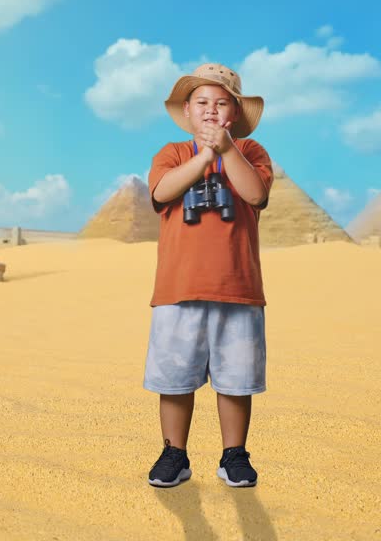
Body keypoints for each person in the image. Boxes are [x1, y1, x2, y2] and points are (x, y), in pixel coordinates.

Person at [143, 62, 273, 488]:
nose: (212, 111)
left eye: (222, 104)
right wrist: (204, 156)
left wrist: (227, 150)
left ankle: (234, 454)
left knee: (237, 380)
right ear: (187, 110)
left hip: (238, 287)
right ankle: (174, 453)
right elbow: (162, 192)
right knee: (175, 378)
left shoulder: (251, 154)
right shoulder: (171, 153)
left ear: (234, 114)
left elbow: (256, 194)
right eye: (202, 102)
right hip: (178, 289)